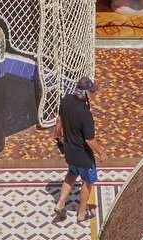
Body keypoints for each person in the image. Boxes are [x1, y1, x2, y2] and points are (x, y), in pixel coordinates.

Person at [53, 77, 100, 224]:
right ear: (85, 93)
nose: (94, 94)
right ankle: (81, 214)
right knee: (87, 182)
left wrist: (58, 137)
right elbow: (89, 140)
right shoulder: (85, 113)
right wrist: (102, 153)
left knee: (72, 174)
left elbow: (58, 122)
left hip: (69, 150)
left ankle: (60, 204)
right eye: (92, 92)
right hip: (83, 156)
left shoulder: (66, 99)